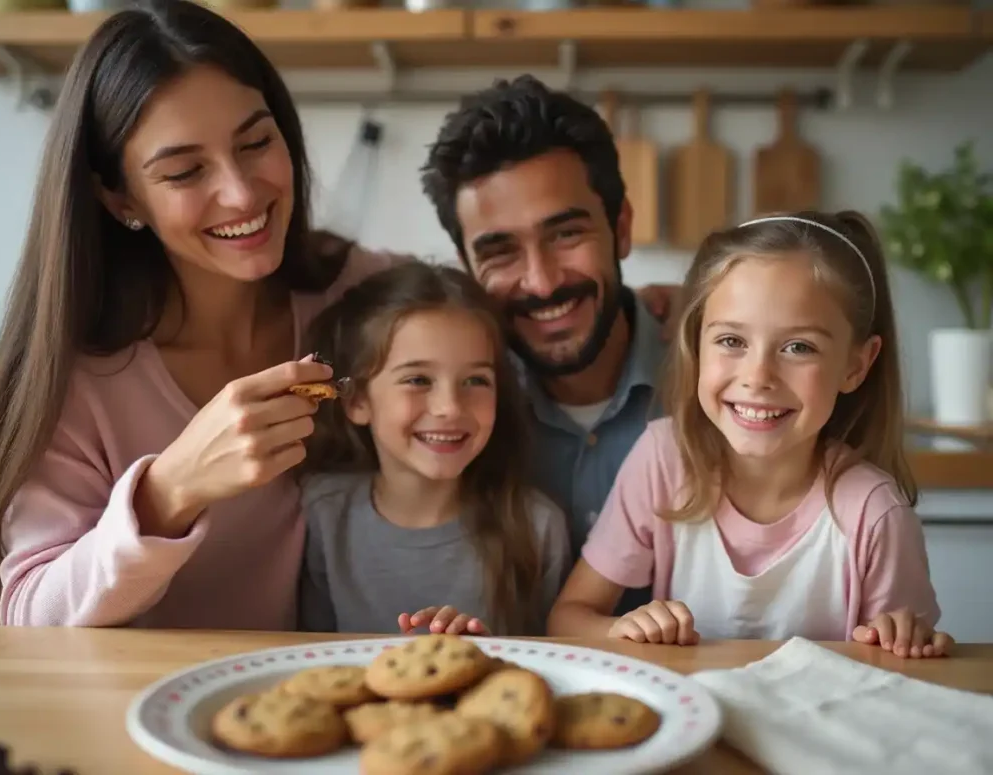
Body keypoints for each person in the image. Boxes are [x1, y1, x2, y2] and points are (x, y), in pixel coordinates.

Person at [0, 0, 403, 628]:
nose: (241, 192)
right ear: (119, 197)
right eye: (184, 172)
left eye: (257, 141)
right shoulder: (78, 372)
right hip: (143, 714)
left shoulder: (368, 292)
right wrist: (170, 491)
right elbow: (28, 618)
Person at [547, 211, 954, 658]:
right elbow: (569, 616)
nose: (758, 376)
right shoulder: (663, 460)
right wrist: (623, 629)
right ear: (696, 342)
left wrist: (909, 640)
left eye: (799, 347)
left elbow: (912, 666)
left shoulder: (874, 512)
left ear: (856, 365)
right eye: (731, 341)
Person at [420, 75, 669, 615]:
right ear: (467, 267)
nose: (542, 282)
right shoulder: (448, 417)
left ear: (620, 227)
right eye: (501, 252)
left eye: (565, 234)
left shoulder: (724, 386)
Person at [297, 262, 571, 637]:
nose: (450, 408)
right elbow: (306, 658)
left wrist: (487, 653)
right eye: (418, 380)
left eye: (476, 380)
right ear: (357, 400)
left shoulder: (537, 528)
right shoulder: (321, 514)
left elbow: (553, 667)